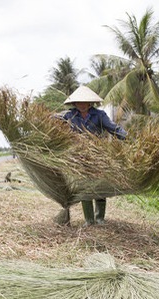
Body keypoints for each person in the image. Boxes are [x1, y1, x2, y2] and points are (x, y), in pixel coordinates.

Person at [62, 85, 127, 226]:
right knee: (84, 186)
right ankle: (89, 220)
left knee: (99, 185)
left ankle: (100, 218)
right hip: (78, 155)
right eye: (78, 102)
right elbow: (54, 122)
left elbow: (113, 128)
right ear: (74, 103)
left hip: (98, 154)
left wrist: (128, 138)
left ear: (90, 102)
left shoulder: (99, 115)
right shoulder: (69, 116)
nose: (82, 105)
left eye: (85, 102)